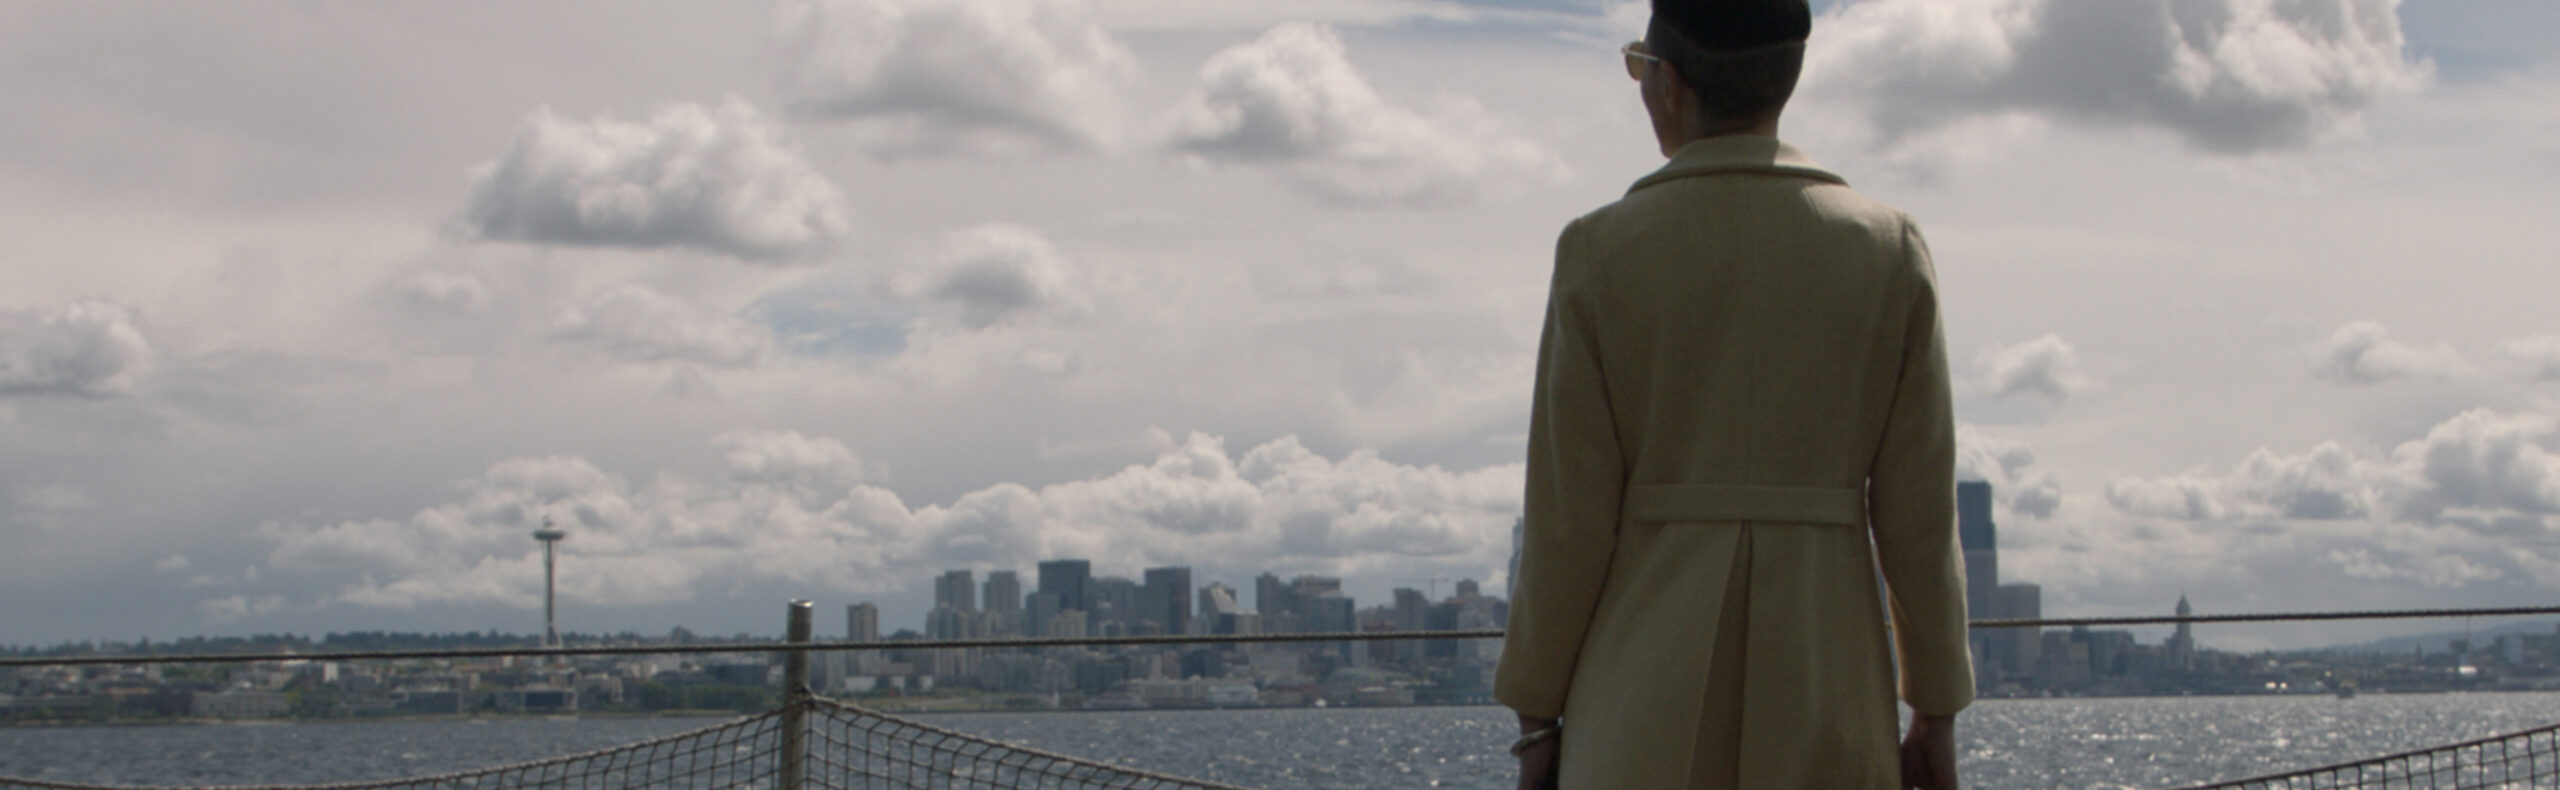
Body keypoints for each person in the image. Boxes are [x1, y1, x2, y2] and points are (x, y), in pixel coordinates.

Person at [1493, 1, 1973, 788]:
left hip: (1637, 702)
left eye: (1639, 67)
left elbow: (1566, 524)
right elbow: (1920, 517)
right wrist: (1936, 709)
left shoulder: (1600, 251)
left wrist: (1537, 720)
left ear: (1669, 84)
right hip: (1829, 693)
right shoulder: (1887, 250)